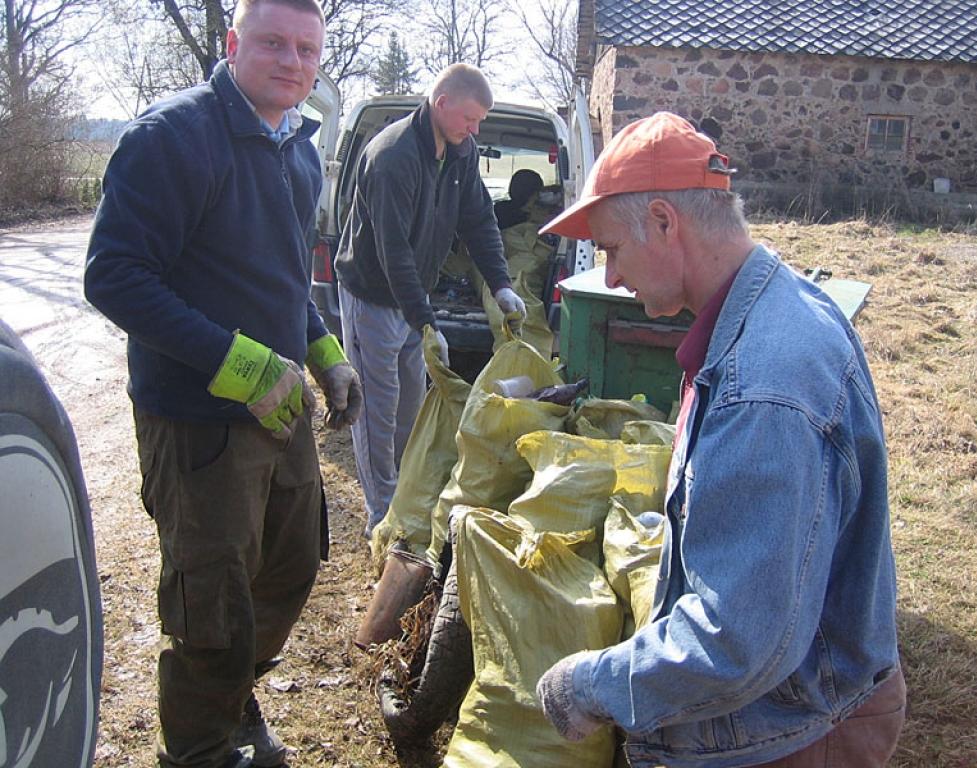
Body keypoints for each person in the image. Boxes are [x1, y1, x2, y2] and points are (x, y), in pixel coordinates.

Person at [535, 112, 905, 767]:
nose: (612, 277)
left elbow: (737, 640)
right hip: (798, 707)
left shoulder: (762, 380)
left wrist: (589, 685)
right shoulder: (776, 308)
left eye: (613, 250)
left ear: (663, 221)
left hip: (794, 730)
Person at [84, 2, 362, 766]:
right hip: (199, 419)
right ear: (233, 44)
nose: (293, 61)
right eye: (273, 43)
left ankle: (231, 699)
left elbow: (282, 281)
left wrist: (326, 353)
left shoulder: (297, 149)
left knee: (293, 567)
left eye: (308, 49)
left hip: (280, 413)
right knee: (211, 601)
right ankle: (200, 748)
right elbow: (114, 278)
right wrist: (242, 367)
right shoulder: (173, 138)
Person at [334, 62, 525, 537]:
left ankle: (406, 497)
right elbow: (392, 253)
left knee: (411, 410)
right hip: (373, 296)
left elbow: (479, 219)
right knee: (377, 411)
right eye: (470, 119)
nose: (475, 129)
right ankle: (383, 517)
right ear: (442, 104)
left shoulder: (461, 150)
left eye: (479, 122)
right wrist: (427, 321)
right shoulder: (392, 157)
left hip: (413, 299)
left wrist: (500, 284)